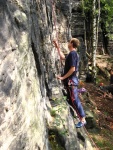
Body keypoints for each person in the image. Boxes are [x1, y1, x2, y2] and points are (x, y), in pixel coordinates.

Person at [53, 38, 86, 128]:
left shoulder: (73, 54)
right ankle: (81, 117)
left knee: (74, 100)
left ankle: (82, 119)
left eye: (69, 42)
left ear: (71, 43)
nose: (68, 43)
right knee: (72, 100)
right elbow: (63, 58)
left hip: (71, 81)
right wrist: (57, 47)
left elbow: (72, 69)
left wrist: (63, 77)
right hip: (71, 81)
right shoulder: (72, 54)